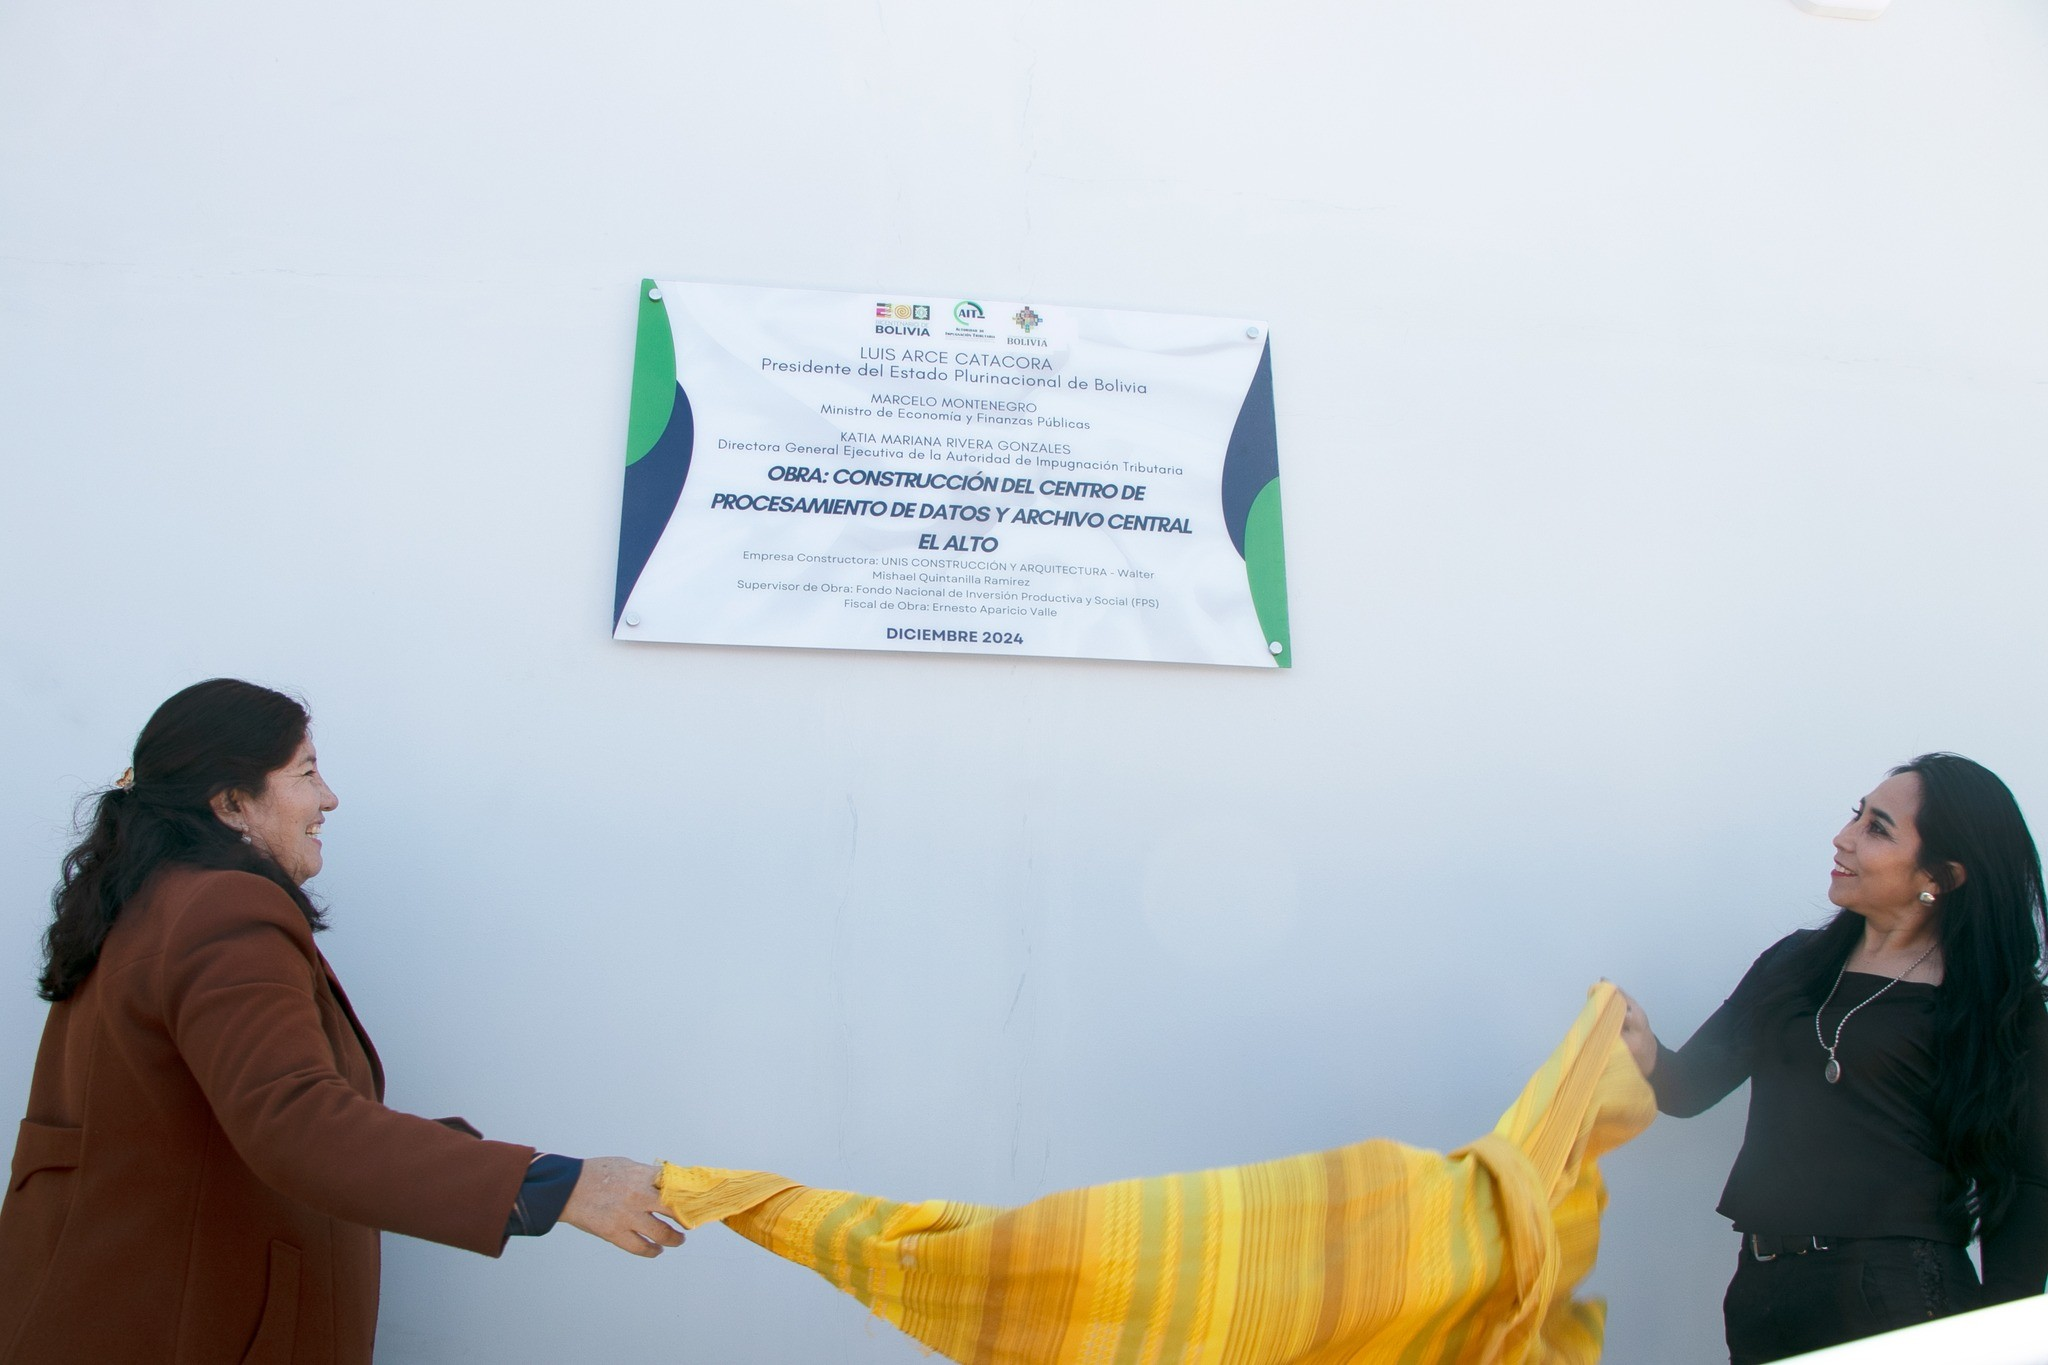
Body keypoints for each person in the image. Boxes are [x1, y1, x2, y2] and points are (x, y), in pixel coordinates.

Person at [0, 679, 685, 1363]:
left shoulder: (153, 897)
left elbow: (243, 1119)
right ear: (232, 802)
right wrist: (554, 1186)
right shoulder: (222, 908)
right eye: (305, 771)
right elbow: (297, 1121)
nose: (328, 797)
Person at [1618, 753, 2048, 1364]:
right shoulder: (1794, 964)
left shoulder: (1995, 1005)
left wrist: (2000, 1344)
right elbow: (1687, 1089)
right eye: (1857, 814)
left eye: (1877, 828)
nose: (1843, 838)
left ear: (1943, 877)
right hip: (1762, 1292)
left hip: (1897, 1299)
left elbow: (2027, 1187)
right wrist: (1642, 1049)